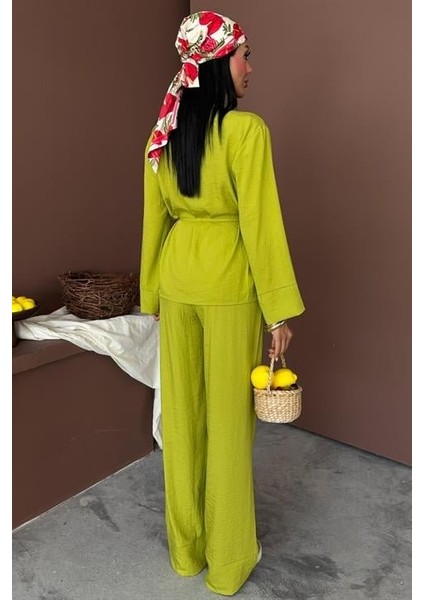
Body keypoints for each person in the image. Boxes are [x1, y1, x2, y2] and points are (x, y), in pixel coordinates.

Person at [140, 10, 305, 596]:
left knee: (182, 420)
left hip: (177, 278)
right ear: (218, 63)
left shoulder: (162, 134)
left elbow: (154, 221)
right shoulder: (246, 131)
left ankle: (185, 553)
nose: (250, 67)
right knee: (229, 427)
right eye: (244, 55)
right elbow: (262, 225)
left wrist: (151, 293)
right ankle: (229, 561)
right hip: (230, 283)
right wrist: (277, 309)